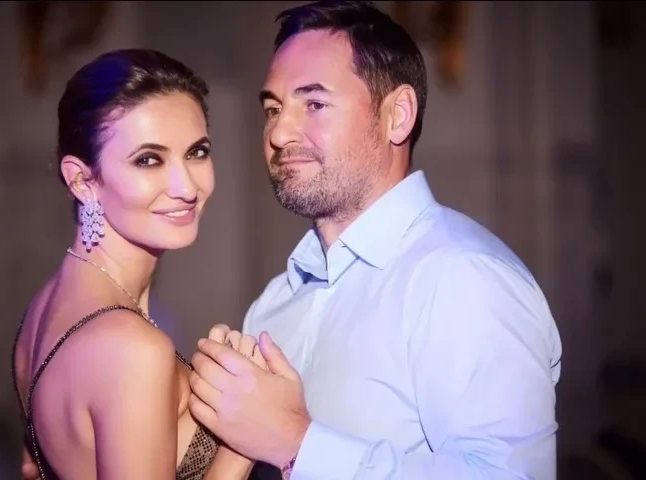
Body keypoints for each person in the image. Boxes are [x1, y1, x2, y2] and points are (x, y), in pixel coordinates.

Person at [188, 1, 563, 479]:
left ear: (397, 116)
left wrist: (297, 443)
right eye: (273, 109)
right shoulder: (275, 303)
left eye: (314, 104)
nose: (278, 132)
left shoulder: (464, 278)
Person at [12, 48, 264, 479]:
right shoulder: (133, 349)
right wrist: (242, 439)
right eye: (149, 159)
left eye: (197, 152)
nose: (187, 186)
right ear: (82, 180)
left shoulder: (41, 311)